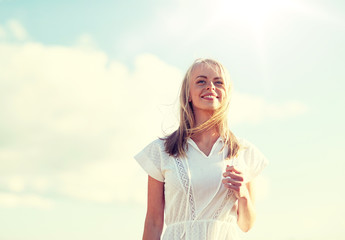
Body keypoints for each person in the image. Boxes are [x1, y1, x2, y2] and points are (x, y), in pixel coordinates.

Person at [134, 58, 268, 240]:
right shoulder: (161, 151)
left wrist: (243, 193)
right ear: (188, 94)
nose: (210, 87)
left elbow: (246, 225)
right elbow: (153, 222)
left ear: (226, 93)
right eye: (201, 81)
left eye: (218, 82)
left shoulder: (243, 151)